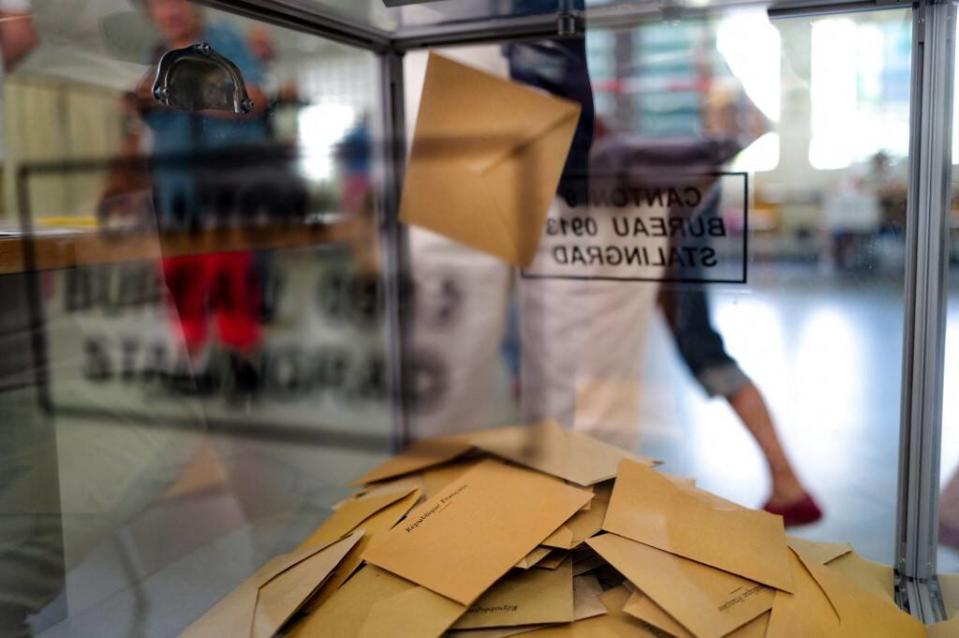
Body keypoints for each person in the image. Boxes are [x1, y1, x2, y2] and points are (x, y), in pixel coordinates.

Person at [133, 0, 270, 400]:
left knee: (230, 275)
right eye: (158, 3)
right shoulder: (158, 54)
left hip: (225, 185)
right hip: (175, 186)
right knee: (181, 278)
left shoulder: (225, 42)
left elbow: (255, 98)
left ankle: (243, 362)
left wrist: (181, 94)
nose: (169, 9)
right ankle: (196, 365)